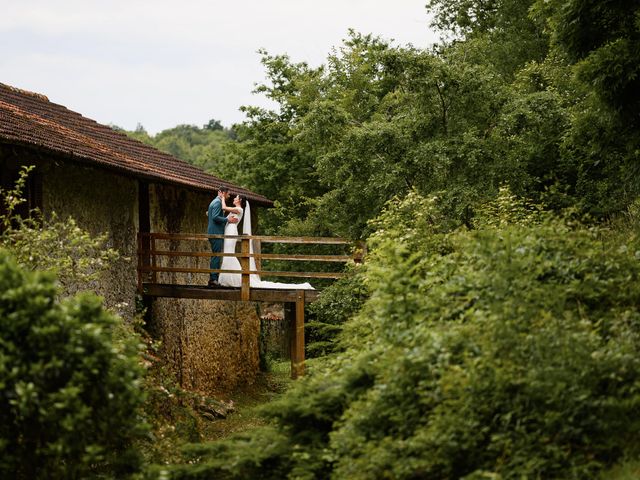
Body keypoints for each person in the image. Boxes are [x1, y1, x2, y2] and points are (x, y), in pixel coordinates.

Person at [218, 197, 314, 290]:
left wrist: (222, 198)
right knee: (227, 253)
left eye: (236, 198)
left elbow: (224, 208)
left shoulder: (239, 209)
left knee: (229, 253)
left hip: (231, 231)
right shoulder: (234, 210)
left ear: (240, 201)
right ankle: (227, 277)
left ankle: (233, 278)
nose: (234, 199)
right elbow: (224, 217)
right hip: (228, 231)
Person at [207, 186, 238, 287]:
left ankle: (213, 278)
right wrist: (227, 220)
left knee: (215, 255)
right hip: (215, 233)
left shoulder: (215, 201)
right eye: (228, 194)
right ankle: (213, 279)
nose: (229, 196)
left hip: (215, 232)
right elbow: (215, 217)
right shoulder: (217, 202)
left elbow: (211, 215)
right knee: (216, 255)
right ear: (223, 193)